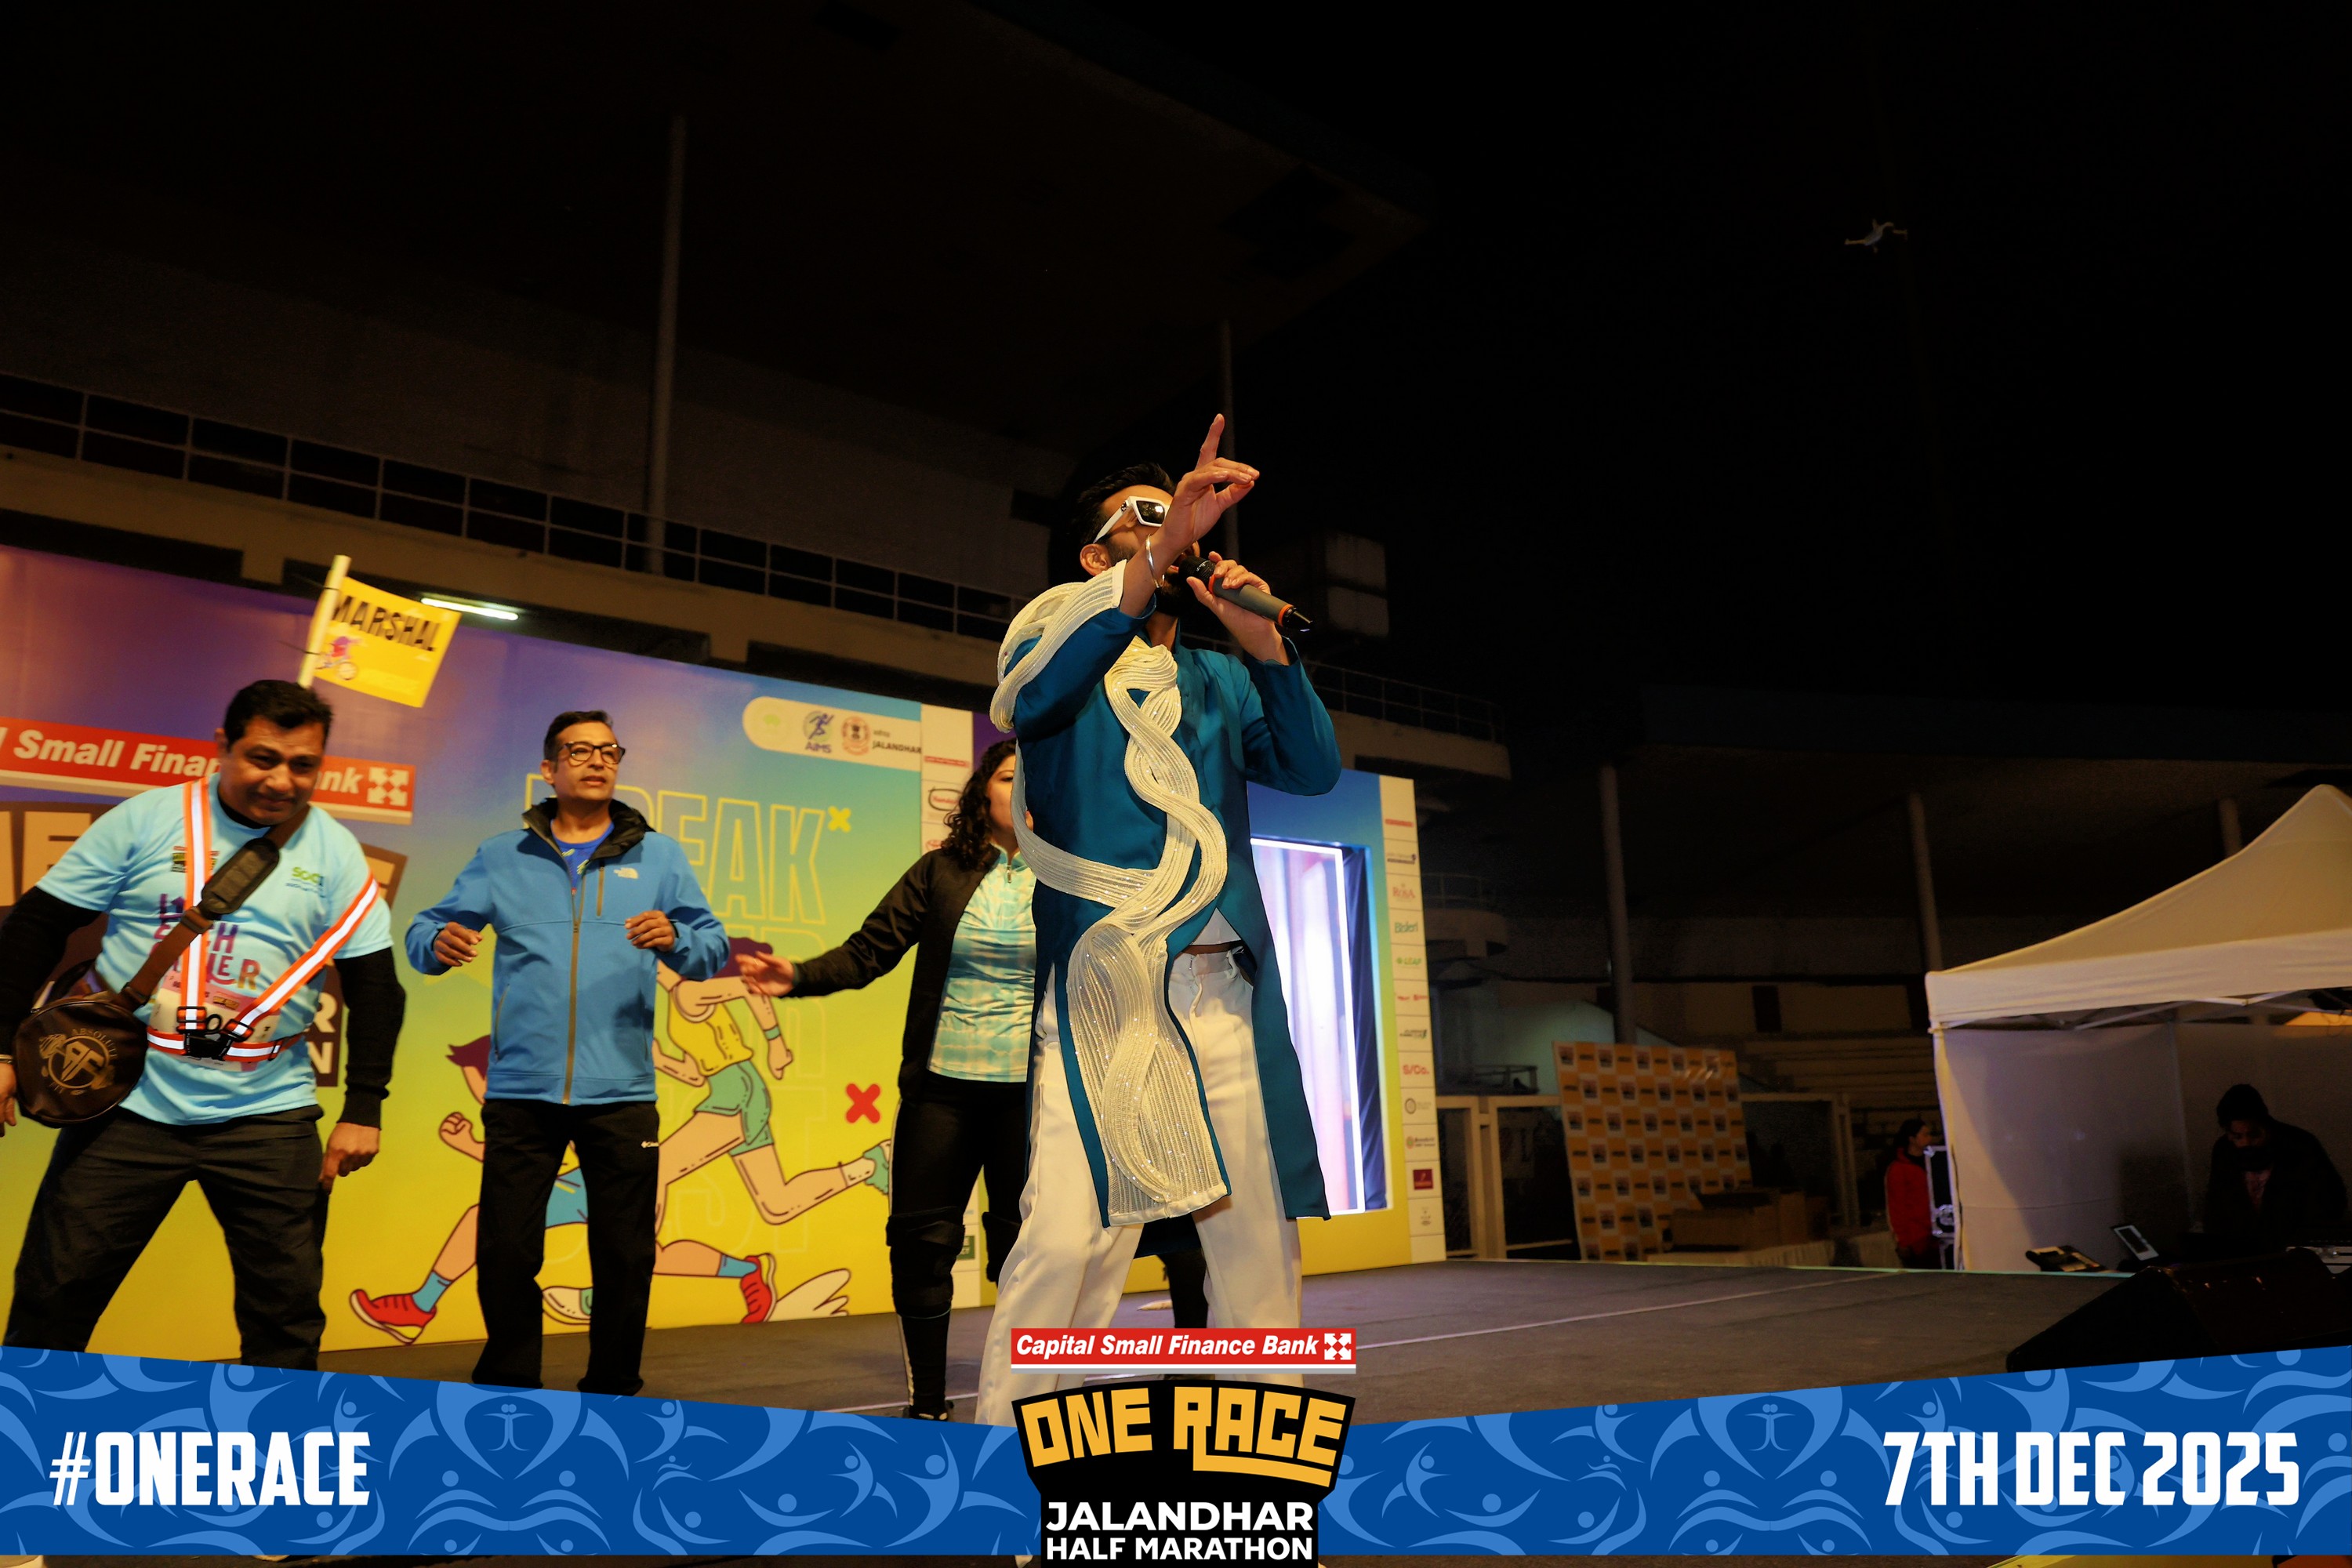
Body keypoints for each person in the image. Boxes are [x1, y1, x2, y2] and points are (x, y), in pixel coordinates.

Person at [968, 416, 1342, 1427]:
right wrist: (1160, 550)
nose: (1174, 530)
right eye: (1144, 520)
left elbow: (1312, 768)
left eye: (1176, 518)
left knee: (1257, 1250)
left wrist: (1266, 648)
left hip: (1219, 988)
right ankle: (1009, 1461)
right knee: (1068, 1240)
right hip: (1109, 988)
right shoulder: (1052, 637)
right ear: (1097, 560)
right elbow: (1030, 700)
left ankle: (1265, 1459)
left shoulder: (1220, 676)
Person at [0, 680, 404, 1368]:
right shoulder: (147, 820)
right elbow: (35, 928)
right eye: (263, 758)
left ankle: (281, 1437)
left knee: (286, 1321)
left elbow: (377, 987)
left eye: (303, 765)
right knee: (52, 1302)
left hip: (268, 1115)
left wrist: (365, 1106)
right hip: (127, 1105)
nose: (282, 781)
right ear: (222, 747)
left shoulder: (334, 852)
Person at [405, 710, 728, 1396]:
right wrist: (436, 943)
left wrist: (676, 938)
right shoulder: (503, 855)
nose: (598, 760)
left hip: (622, 1093)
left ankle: (613, 1386)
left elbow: (711, 949)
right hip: (522, 1091)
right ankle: (509, 1381)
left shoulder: (660, 857)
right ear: (549, 769)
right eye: (580, 751)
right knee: (505, 1248)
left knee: (624, 1254)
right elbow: (426, 931)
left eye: (609, 750)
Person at [738, 739, 1037, 1420]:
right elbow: (868, 952)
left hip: (1031, 1098)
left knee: (1025, 1256)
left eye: (1036, 776)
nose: (1023, 787)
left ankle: (1018, 1400)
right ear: (982, 792)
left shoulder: (1069, 877)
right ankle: (927, 1406)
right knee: (921, 1247)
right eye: (1008, 776)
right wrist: (798, 976)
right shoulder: (941, 871)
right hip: (942, 1092)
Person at [347, 1036, 785, 1343]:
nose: (480, 1093)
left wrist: (469, 1146)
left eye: (481, 1082)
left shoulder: (564, 1086)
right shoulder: (524, 1096)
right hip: (578, 1187)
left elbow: (551, 1156)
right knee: (482, 1219)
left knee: (647, 1257)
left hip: (609, 1176)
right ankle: (420, 1307)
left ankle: (745, 1272)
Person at [651, 942, 887, 1233]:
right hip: (736, 1093)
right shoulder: (678, 1004)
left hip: (736, 1095)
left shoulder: (688, 992)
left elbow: (747, 987)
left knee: (658, 1169)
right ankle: (872, 1165)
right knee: (777, 1205)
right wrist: (662, 1061)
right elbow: (695, 1075)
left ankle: (638, 1254)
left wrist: (775, 1043)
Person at [2202, 1083, 2347, 1255]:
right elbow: (2216, 1207)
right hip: (2244, 1254)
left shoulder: (2300, 1146)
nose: (2246, 1143)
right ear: (2228, 1133)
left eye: (2254, 1135)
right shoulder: (2224, 1152)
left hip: (2297, 1253)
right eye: (2237, 1137)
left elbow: (2329, 1203)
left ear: (2265, 1126)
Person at [1884, 1116, 1939, 1269]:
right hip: (1916, 1239)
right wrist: (1903, 1240)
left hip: (1936, 1234)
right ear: (1912, 1139)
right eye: (1925, 1134)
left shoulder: (1933, 1163)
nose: (1930, 1139)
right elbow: (1897, 1207)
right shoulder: (1898, 1169)